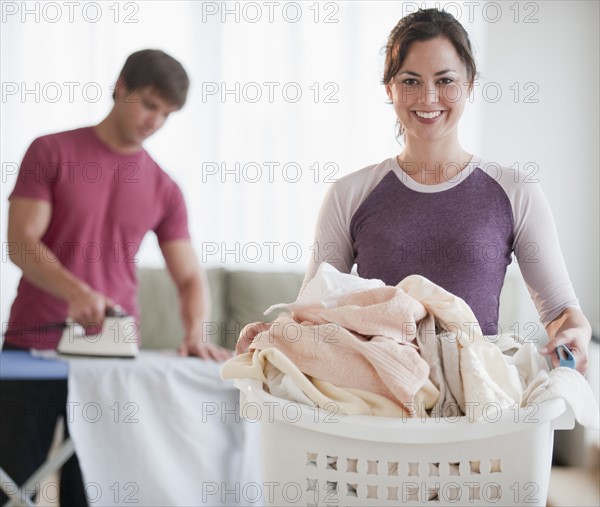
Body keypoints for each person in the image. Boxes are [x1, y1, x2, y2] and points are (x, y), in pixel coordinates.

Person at [301, 8, 591, 374]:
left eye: (445, 80)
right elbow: (312, 312)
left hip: (478, 403)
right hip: (382, 400)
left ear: (469, 84)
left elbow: (561, 312)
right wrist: (268, 338)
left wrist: (576, 334)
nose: (428, 96)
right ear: (389, 88)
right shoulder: (350, 193)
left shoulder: (516, 191)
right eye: (410, 81)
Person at [1, 49, 231, 505]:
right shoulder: (51, 152)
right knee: (11, 485)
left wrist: (194, 333)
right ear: (121, 86)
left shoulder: (164, 188)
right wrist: (76, 291)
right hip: (33, 346)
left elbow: (189, 279)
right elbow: (21, 242)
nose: (154, 121)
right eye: (149, 104)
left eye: (167, 114)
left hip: (110, 360)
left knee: (90, 491)